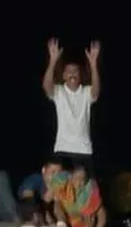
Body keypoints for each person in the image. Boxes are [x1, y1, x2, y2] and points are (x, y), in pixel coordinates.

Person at [42, 38, 100, 170]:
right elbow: (46, 86)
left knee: (86, 184)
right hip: (62, 149)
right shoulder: (59, 91)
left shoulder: (86, 92)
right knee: (61, 183)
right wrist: (52, 61)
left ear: (80, 75)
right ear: (63, 76)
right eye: (68, 71)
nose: (72, 74)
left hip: (84, 150)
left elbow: (96, 91)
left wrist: (93, 64)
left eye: (75, 71)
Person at [0, 160, 64, 223]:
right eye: (53, 172)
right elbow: (28, 204)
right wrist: (50, 193)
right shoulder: (35, 179)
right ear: (44, 171)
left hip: (40, 219)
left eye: (59, 174)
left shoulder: (60, 185)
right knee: (2, 175)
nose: (56, 177)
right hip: (15, 213)